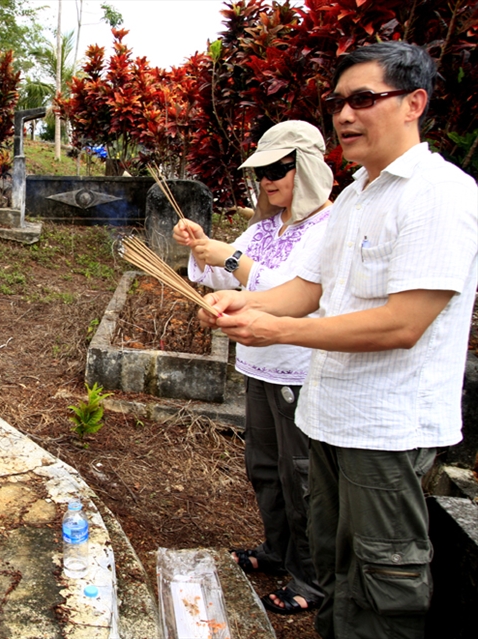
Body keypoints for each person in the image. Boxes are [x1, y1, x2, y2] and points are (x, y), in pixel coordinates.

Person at [197, 41, 478, 639]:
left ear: (413, 103)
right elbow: (307, 287)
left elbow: (405, 324)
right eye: (337, 102)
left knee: (382, 585)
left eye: (363, 99)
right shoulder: (354, 196)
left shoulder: (438, 193)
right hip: (331, 416)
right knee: (335, 570)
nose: (345, 115)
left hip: (386, 429)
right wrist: (245, 301)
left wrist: (280, 329)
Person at [173, 120, 332, 616]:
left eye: (278, 169)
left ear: (305, 169)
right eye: (261, 171)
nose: (267, 180)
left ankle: (312, 577)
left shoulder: (330, 227)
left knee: (300, 474)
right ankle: (279, 549)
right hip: (259, 364)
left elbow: (295, 293)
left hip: (301, 368)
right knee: (264, 468)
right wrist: (201, 246)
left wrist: (233, 258)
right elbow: (220, 269)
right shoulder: (266, 226)